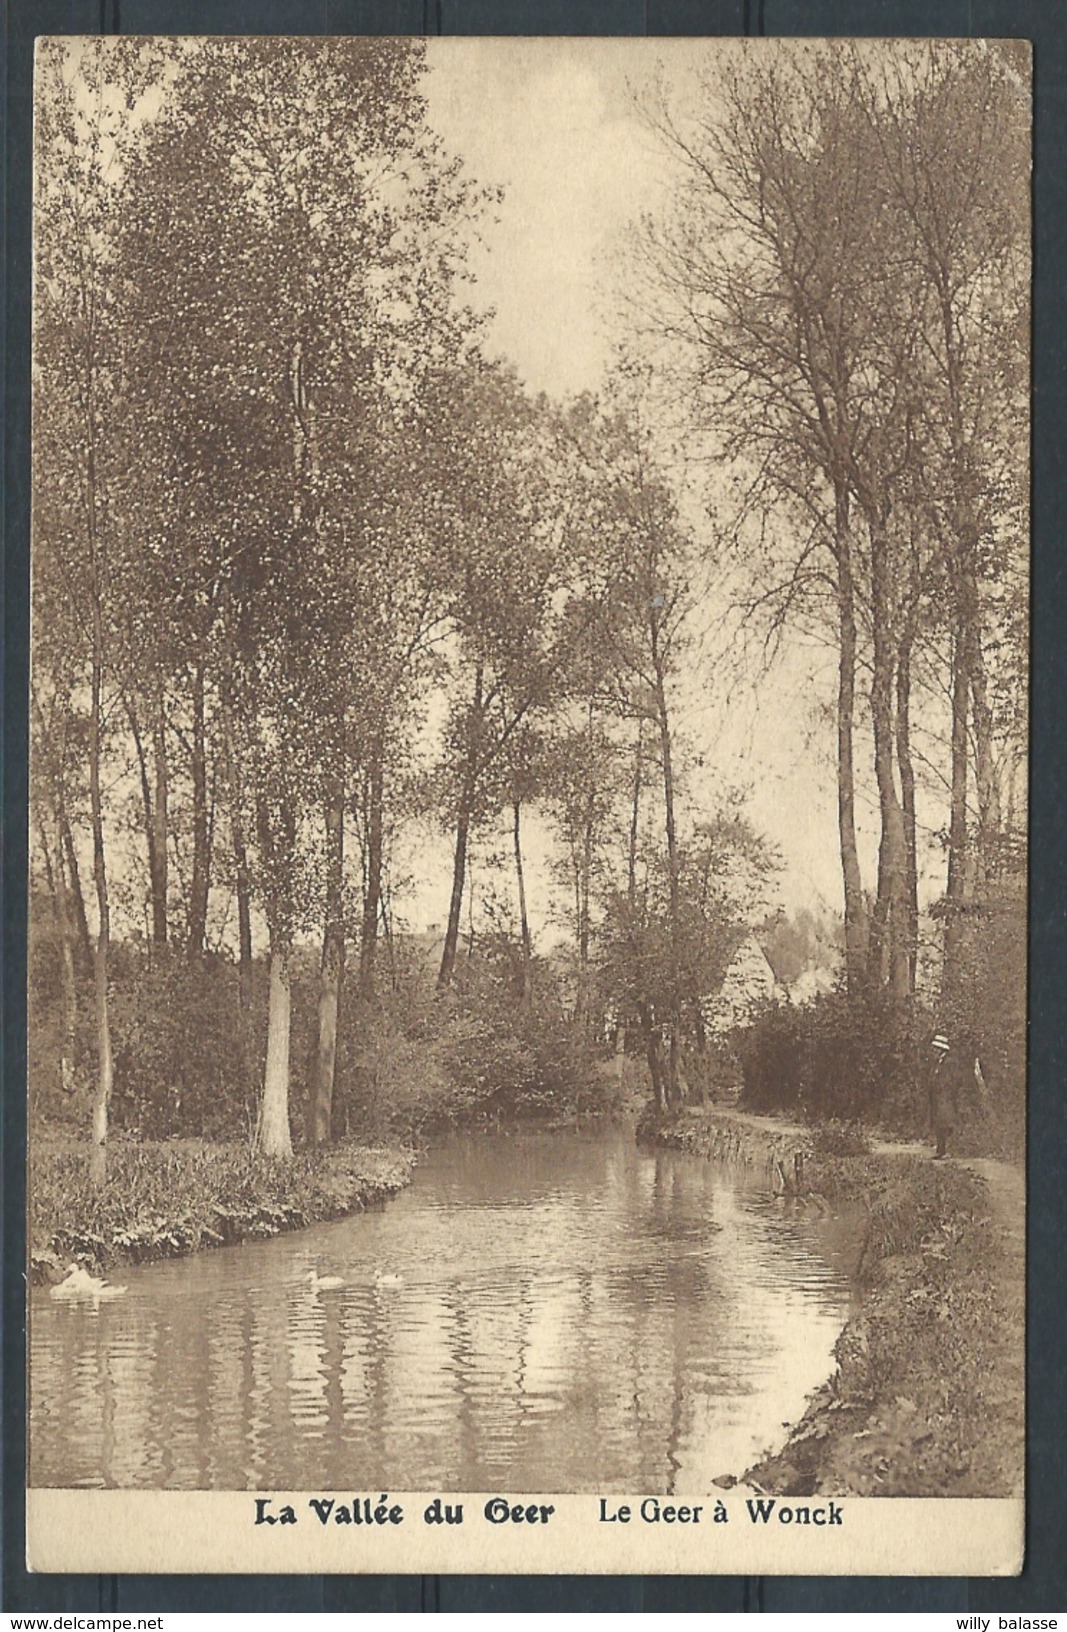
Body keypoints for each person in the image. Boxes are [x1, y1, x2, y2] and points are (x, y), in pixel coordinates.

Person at [927, 1030, 965, 1158]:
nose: (933, 1051)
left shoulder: (949, 1062)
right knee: (939, 1123)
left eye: (935, 1049)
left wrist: (944, 1090)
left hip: (945, 1097)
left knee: (945, 1123)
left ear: (941, 1049)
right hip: (938, 1097)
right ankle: (941, 1150)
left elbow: (952, 1080)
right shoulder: (937, 1062)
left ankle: (945, 1150)